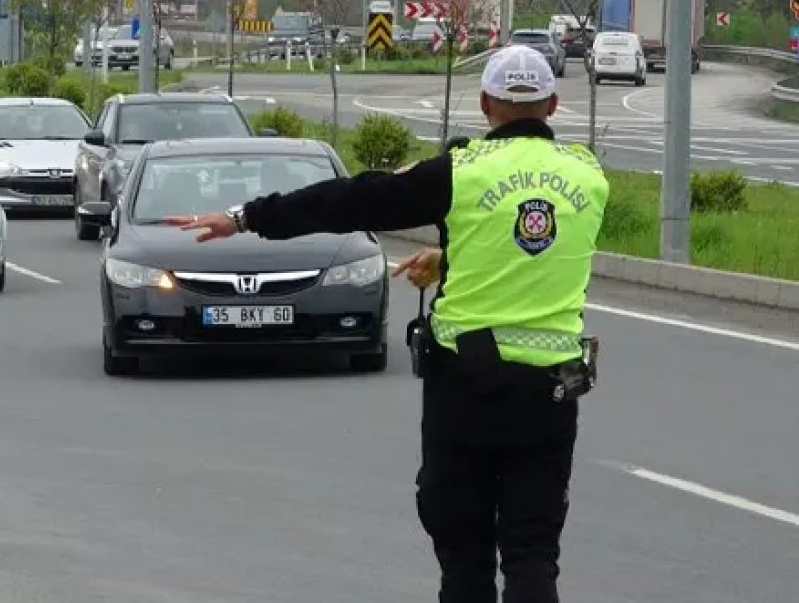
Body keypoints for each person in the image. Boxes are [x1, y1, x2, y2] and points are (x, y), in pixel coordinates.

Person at [164, 45, 610, 603]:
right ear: (554, 105)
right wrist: (449, 258)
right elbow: (536, 244)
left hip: (466, 388)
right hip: (551, 390)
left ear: (483, 103)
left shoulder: (461, 173)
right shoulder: (590, 178)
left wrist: (246, 217)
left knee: (465, 554)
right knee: (533, 555)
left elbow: (355, 200)